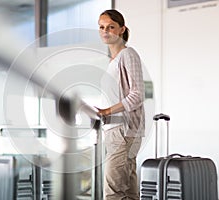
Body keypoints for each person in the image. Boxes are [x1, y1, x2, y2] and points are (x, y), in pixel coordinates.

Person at [96, 9, 145, 200]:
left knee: (113, 191)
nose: (105, 31)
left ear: (122, 29)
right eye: (101, 27)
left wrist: (108, 110)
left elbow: (137, 94)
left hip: (123, 130)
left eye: (111, 27)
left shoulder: (128, 54)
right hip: (114, 128)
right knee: (128, 190)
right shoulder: (113, 61)